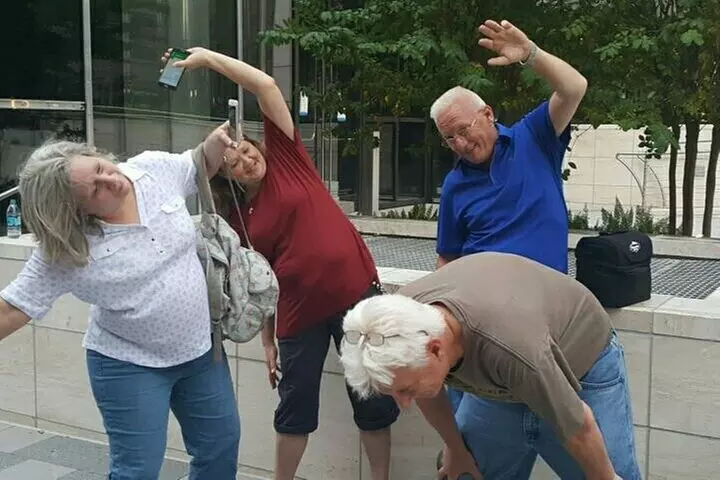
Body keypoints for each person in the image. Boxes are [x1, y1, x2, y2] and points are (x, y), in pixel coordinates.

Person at [170, 48, 399, 480]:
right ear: (227, 178)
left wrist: (208, 60)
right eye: (233, 164)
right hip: (298, 314)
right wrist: (267, 340)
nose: (246, 161)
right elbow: (258, 280)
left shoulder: (290, 163)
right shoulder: (237, 219)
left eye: (247, 150)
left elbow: (266, 86)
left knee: (372, 400)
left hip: (356, 296)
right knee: (294, 409)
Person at [0, 124, 241, 479]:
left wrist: (214, 144)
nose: (111, 180)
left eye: (100, 167)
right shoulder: (67, 249)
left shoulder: (151, 170)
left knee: (220, 447)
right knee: (137, 470)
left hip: (200, 351)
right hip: (129, 364)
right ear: (75, 211)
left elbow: (198, 166)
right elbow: (12, 308)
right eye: (95, 189)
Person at [340, 252, 642, 480]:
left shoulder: (511, 346)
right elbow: (422, 389)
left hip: (580, 364)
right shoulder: (400, 325)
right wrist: (456, 449)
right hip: (502, 376)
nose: (404, 404)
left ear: (435, 349)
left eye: (406, 390)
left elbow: (579, 426)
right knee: (466, 472)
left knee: (609, 473)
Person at [431, 19, 588, 423]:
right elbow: (448, 259)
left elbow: (574, 87)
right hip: (480, 328)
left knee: (566, 430)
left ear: (487, 113)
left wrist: (531, 55)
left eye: (463, 130)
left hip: (544, 321)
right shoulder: (455, 185)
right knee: (473, 438)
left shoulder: (534, 138)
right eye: (450, 139)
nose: (460, 144)